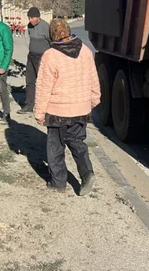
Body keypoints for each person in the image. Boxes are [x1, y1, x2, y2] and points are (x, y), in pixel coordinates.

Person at [34, 18, 100, 195]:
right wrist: (94, 99)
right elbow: (93, 77)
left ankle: (58, 183)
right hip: (81, 109)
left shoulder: (50, 55)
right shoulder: (85, 51)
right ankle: (87, 173)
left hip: (58, 111)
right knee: (77, 142)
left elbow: (43, 87)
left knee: (55, 148)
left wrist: (39, 112)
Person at [18, 7, 50, 115]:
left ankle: (45, 106)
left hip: (42, 57)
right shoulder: (30, 26)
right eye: (29, 18)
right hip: (31, 56)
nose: (30, 20)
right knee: (30, 81)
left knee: (42, 83)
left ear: (38, 17)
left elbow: (52, 43)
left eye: (32, 18)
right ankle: (29, 105)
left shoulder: (45, 27)